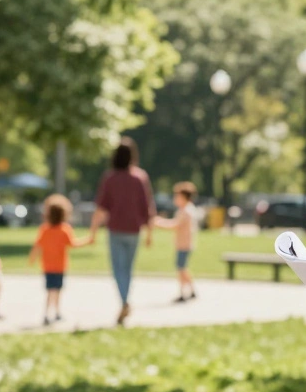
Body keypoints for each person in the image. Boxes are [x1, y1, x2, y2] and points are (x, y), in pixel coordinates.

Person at [89, 137, 155, 325]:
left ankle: (124, 301)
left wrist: (93, 231)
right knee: (128, 269)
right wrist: (150, 233)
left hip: (116, 230)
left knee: (118, 269)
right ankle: (125, 300)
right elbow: (148, 207)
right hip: (134, 230)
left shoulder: (110, 178)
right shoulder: (140, 177)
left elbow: (101, 208)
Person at [29, 194, 91, 325]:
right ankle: (54, 312)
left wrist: (32, 258)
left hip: (47, 266)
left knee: (50, 290)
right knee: (57, 290)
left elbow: (37, 246)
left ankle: (50, 313)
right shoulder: (64, 229)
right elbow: (73, 244)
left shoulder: (45, 229)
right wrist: (87, 240)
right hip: (59, 266)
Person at [151, 181, 199, 303]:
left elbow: (175, 225)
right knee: (183, 268)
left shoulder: (186, 211)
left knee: (181, 269)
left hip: (184, 245)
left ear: (183, 197)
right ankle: (192, 291)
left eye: (177, 196)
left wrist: (158, 222)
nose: (175, 199)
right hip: (183, 244)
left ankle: (183, 293)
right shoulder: (186, 209)